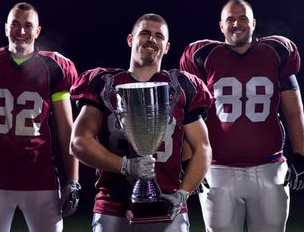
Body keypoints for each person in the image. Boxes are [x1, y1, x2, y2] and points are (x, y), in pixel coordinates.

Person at [70, 13, 213, 232]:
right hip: (112, 204)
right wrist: (126, 166)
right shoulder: (104, 82)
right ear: (130, 39)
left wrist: (183, 193)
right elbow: (78, 142)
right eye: (145, 33)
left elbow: (202, 147)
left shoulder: (182, 85)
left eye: (158, 36)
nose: (151, 40)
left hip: (168, 202)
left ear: (166, 47)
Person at [180, 0, 304, 232]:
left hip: (270, 167)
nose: (236, 24)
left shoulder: (277, 52)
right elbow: (189, 116)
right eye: (230, 19)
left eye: (242, 18)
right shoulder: (203, 56)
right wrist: (190, 161)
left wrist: (301, 155)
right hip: (217, 169)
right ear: (221, 26)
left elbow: (294, 111)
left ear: (253, 23)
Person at [0, 2, 81, 232]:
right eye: (15, 24)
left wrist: (73, 180)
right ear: (6, 28)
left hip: (40, 178)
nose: (21, 31)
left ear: (38, 31)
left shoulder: (54, 67)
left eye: (28, 25)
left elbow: (67, 130)